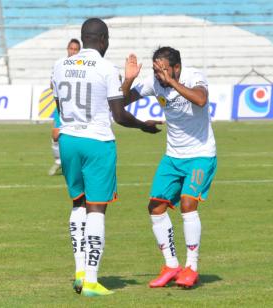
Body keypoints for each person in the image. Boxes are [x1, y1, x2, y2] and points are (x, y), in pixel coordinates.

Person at [51, 18, 162, 297]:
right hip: (97, 142)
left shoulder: (59, 65)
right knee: (96, 208)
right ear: (102, 39)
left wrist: (128, 81)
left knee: (77, 202)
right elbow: (119, 114)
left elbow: (59, 106)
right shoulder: (104, 67)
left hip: (68, 141)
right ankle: (90, 280)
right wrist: (143, 125)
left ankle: (79, 271)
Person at [122, 47, 217, 288]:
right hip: (173, 157)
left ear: (175, 67)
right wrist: (129, 79)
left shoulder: (193, 77)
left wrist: (172, 82)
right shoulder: (153, 82)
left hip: (200, 155)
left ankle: (191, 267)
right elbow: (122, 102)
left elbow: (201, 99)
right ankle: (171, 265)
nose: (157, 73)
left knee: (187, 204)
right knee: (155, 206)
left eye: (162, 68)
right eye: (155, 69)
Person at [49, 38, 82, 176]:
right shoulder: (59, 65)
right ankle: (59, 161)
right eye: (71, 49)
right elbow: (52, 84)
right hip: (62, 104)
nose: (73, 51)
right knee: (55, 134)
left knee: (78, 134)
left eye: (76, 49)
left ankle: (74, 162)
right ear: (67, 49)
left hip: (79, 106)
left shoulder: (83, 65)